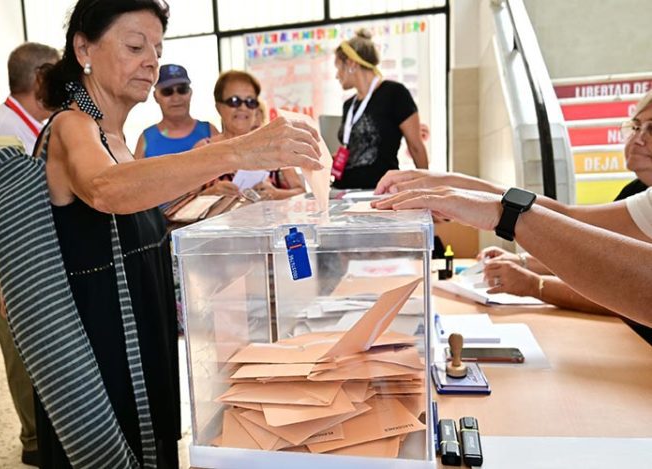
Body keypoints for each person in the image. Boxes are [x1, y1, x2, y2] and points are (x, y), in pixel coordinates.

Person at [15, 1, 320, 468]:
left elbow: (140, 218)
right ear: (84, 48)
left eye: (157, 48)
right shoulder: (72, 127)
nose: (151, 61)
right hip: (96, 360)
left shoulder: (118, 140)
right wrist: (238, 150)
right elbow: (105, 190)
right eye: (135, 45)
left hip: (146, 336)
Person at [372, 92, 652, 330]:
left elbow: (629, 280)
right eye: (637, 127)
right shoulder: (640, 195)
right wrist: (452, 183)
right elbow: (571, 221)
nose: (639, 139)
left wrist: (534, 280)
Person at [0, 41, 59, 467]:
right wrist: (6, 279)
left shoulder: (37, 123)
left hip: (23, 253)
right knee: (20, 349)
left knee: (37, 343)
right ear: (40, 79)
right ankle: (34, 439)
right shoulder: (0, 130)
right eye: (58, 73)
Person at [331, 28, 428, 190]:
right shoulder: (349, 105)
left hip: (379, 190)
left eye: (338, 67)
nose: (337, 75)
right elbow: (355, 148)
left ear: (351, 64)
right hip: (343, 191)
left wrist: (426, 191)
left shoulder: (395, 93)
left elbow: (416, 146)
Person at [197, 70, 306, 200]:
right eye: (234, 101)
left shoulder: (275, 146)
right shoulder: (204, 150)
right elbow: (182, 204)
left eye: (250, 102)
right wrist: (211, 193)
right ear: (219, 106)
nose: (243, 108)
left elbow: (302, 192)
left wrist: (276, 193)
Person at [133, 63, 218, 159]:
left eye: (182, 90)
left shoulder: (209, 131)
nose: (176, 98)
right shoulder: (146, 139)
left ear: (190, 93)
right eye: (167, 91)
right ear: (156, 96)